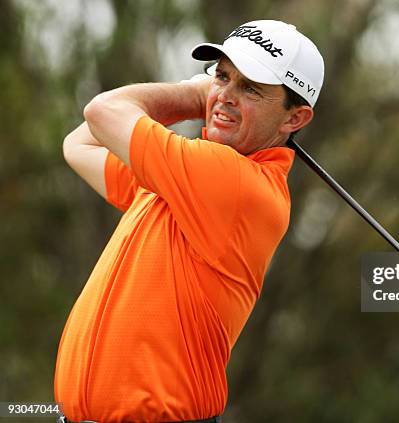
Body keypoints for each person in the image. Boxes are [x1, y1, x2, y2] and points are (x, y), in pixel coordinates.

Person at [55, 19, 324, 423]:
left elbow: (101, 111)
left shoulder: (232, 183)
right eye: (222, 75)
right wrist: (218, 95)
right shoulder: (185, 181)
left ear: (294, 119)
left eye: (250, 87)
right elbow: (79, 144)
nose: (226, 96)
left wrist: (193, 94)